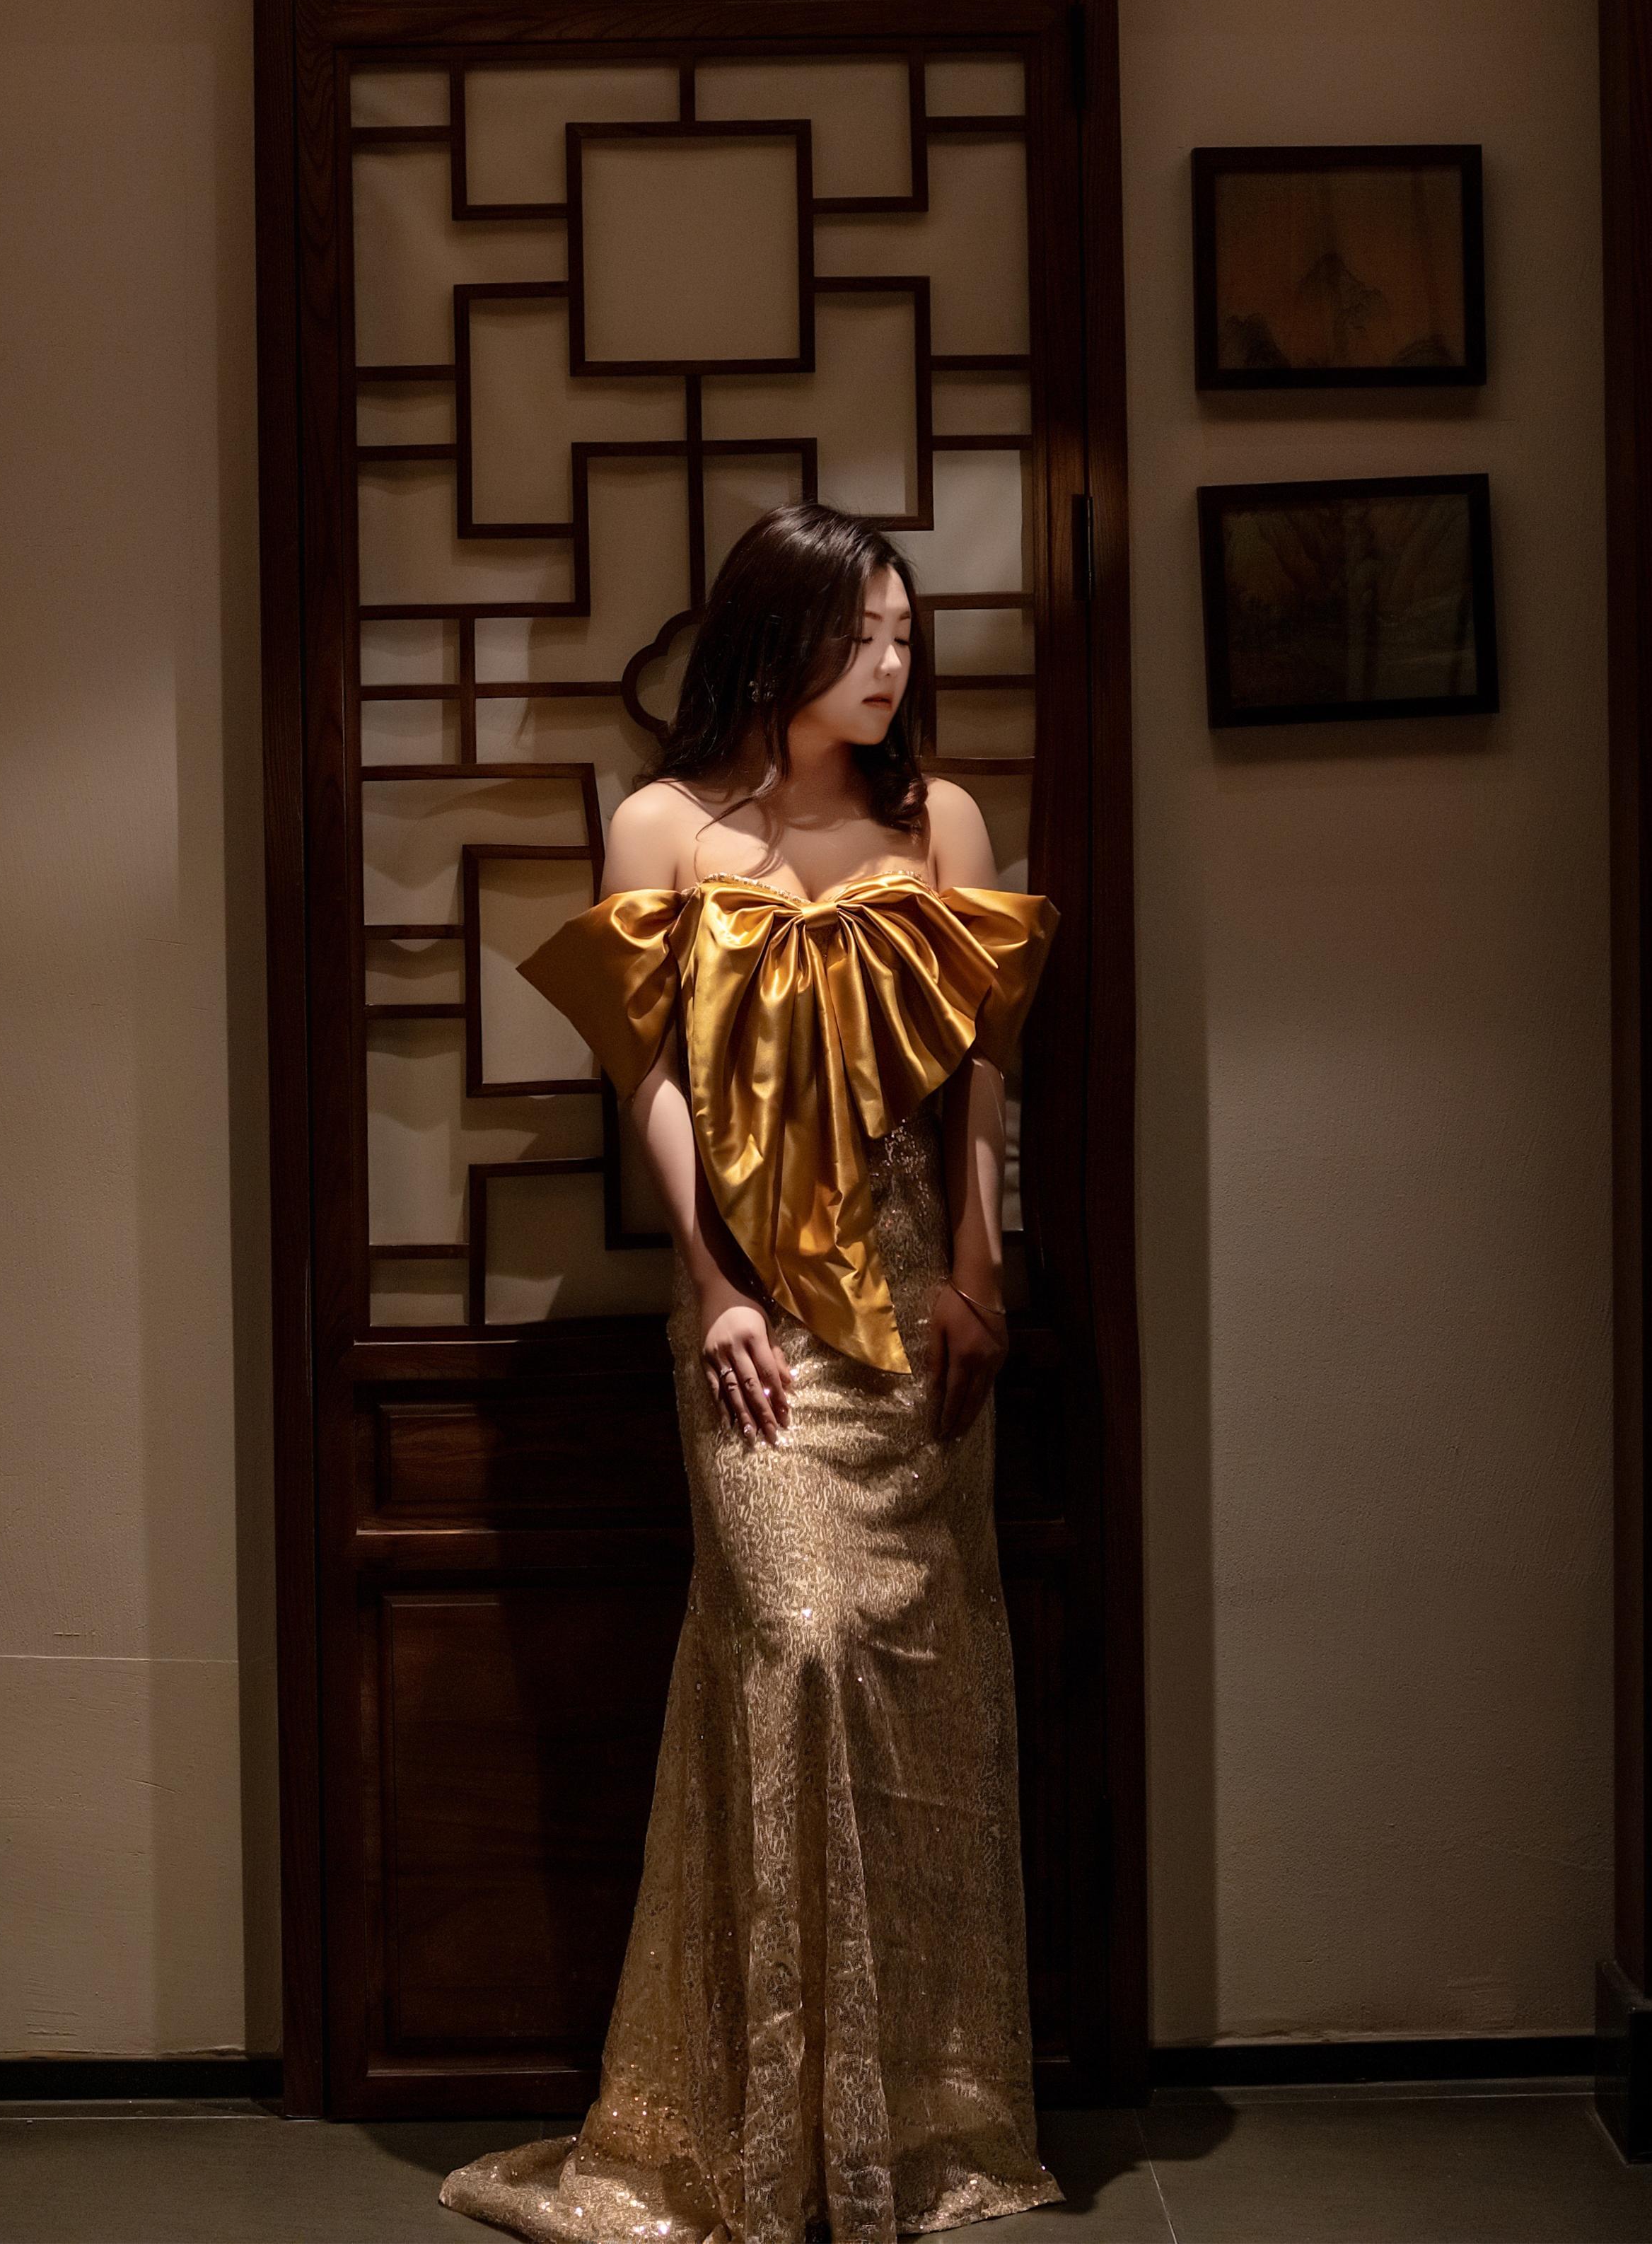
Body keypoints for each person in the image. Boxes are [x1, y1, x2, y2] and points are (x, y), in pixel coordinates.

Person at [439, 499, 1066, 2244]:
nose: (889, 663)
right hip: (751, 1310)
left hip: (916, 1308)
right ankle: (755, 2120)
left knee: (920, 1692)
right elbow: (643, 1074)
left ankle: (903, 2124)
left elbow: (982, 1070)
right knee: (787, 1648)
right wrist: (707, 1285)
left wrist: (977, 1271)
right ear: (774, 638)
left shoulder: (936, 822)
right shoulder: (660, 825)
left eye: (903, 634)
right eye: (859, 634)